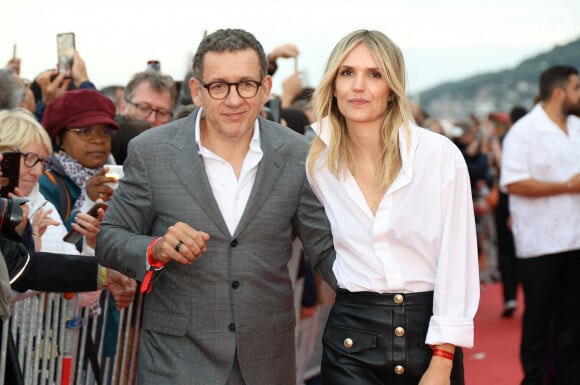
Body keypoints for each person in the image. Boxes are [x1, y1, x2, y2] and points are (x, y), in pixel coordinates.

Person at [96, 28, 336, 385]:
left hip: (266, 362)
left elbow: (328, 253)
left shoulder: (298, 155)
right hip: (176, 361)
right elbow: (109, 238)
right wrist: (156, 248)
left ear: (266, 88)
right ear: (196, 91)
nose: (234, 99)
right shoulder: (152, 151)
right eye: (219, 86)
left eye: (246, 85)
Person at [306, 30, 479, 385]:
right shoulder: (320, 165)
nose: (358, 86)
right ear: (333, 84)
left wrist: (443, 360)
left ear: (392, 87)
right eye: (347, 72)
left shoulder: (438, 156)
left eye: (375, 74)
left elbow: (457, 260)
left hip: (427, 339)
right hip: (349, 340)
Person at [499, 65, 580, 385]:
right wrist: (567, 186)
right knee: (537, 320)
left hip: (576, 240)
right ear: (559, 93)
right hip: (539, 245)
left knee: (573, 321)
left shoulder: (577, 126)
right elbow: (514, 183)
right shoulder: (524, 131)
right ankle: (533, 379)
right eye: (577, 88)